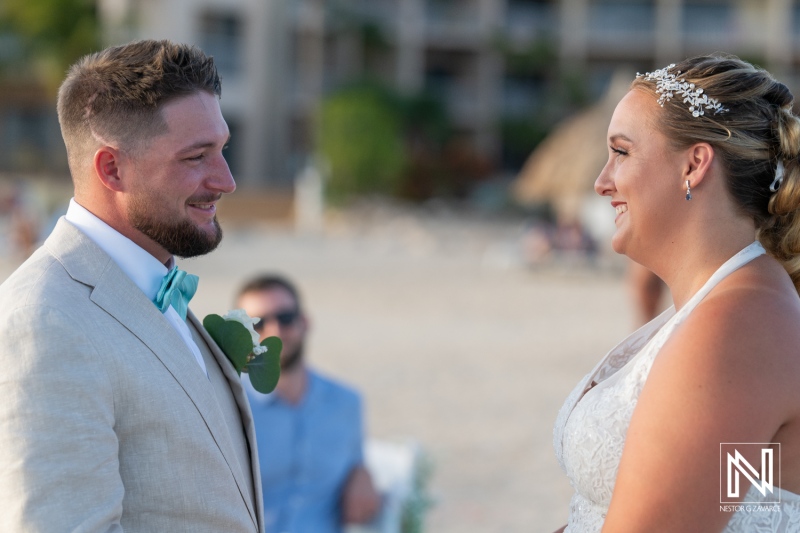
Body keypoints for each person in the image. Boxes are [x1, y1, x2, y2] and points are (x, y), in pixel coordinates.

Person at [0, 40, 263, 532]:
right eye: (196, 156)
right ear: (112, 169)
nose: (226, 180)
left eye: (222, 149)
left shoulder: (154, 285)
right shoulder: (45, 320)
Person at [553, 55, 800, 532]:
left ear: (694, 164)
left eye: (621, 152)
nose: (602, 182)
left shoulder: (739, 331)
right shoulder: (730, 308)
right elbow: (748, 501)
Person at [236, 274, 381, 533]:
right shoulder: (230, 406)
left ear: (304, 322)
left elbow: (355, 470)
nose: (275, 331)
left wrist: (364, 476)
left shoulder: (347, 402)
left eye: (286, 318)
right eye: (257, 323)